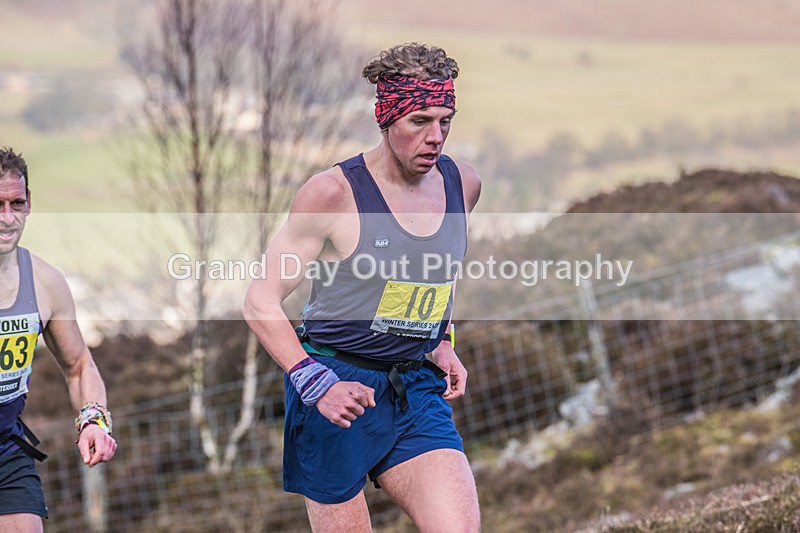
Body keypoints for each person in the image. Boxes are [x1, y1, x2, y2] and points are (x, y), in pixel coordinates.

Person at [244, 42, 481, 531]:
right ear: (386, 117)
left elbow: (435, 273)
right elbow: (259, 300)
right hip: (337, 393)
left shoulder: (463, 184)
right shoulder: (332, 194)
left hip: (414, 390)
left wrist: (441, 341)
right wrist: (313, 383)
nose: (435, 137)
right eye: (419, 121)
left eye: (445, 120)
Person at [0, 147, 117, 532]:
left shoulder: (46, 283)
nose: (7, 217)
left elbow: (79, 365)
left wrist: (94, 420)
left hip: (7, 450)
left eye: (16, 203)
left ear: (29, 202)